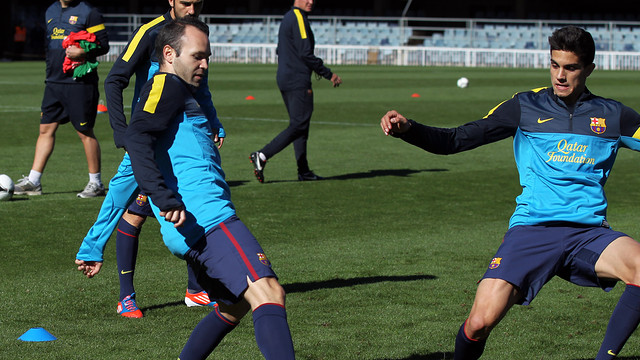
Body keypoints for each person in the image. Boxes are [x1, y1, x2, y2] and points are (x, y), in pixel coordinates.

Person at [380, 26, 640, 359]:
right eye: (554, 65)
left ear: (589, 69)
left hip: (587, 234)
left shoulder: (613, 115)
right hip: (532, 230)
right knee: (477, 324)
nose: (560, 75)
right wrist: (409, 130)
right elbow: (454, 140)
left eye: (570, 68)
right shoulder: (525, 106)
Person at [78, 17, 295, 359]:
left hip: (195, 224)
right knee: (268, 292)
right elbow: (136, 137)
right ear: (168, 54)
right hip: (208, 220)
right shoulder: (167, 86)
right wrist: (162, 196)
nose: (205, 64)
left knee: (233, 306)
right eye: (197, 56)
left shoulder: (180, 90)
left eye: (208, 56)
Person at [75, 0, 220, 318]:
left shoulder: (196, 35)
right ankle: (123, 293)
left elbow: (201, 87)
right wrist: (123, 134)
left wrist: (213, 122)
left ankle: (196, 290)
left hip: (183, 142)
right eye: (186, 2)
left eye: (198, 2)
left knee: (193, 207)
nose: (193, 8)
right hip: (149, 139)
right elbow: (114, 80)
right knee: (128, 208)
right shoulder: (149, 32)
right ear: (171, 0)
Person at [14, 0, 109, 198]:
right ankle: (34, 181)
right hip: (54, 83)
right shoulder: (51, 10)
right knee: (45, 129)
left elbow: (104, 45)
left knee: (84, 131)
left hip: (80, 83)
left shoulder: (89, 12)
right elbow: (49, 45)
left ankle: (96, 183)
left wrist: (84, 52)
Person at [250, 0, 341, 183]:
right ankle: (262, 155)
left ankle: (304, 171)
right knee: (299, 124)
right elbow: (305, 52)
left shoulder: (288, 17)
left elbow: (280, 49)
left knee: (301, 126)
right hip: (296, 79)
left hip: (286, 76)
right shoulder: (298, 18)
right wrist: (328, 74)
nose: (311, 2)